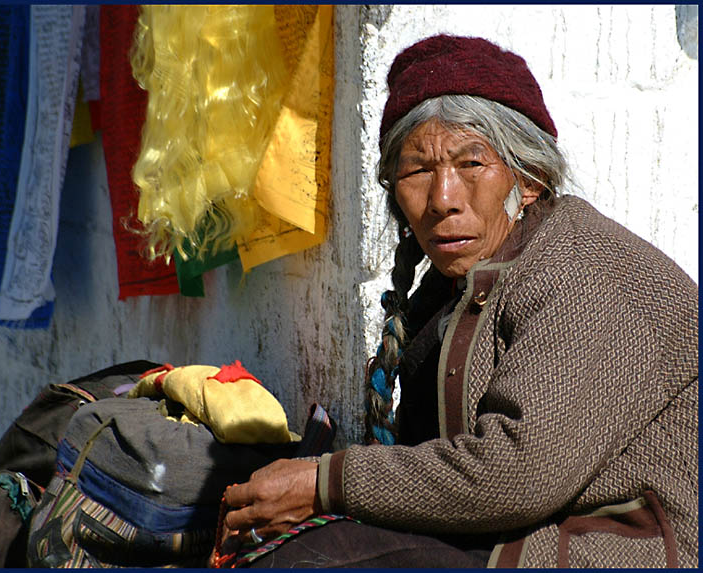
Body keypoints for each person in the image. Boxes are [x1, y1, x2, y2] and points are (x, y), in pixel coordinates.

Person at [213, 35, 698, 568]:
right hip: (519, 531)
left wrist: (326, 484)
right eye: (418, 170)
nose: (443, 199)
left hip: (617, 548)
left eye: (471, 164)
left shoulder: (587, 276)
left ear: (529, 178)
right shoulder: (461, 282)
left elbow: (518, 472)